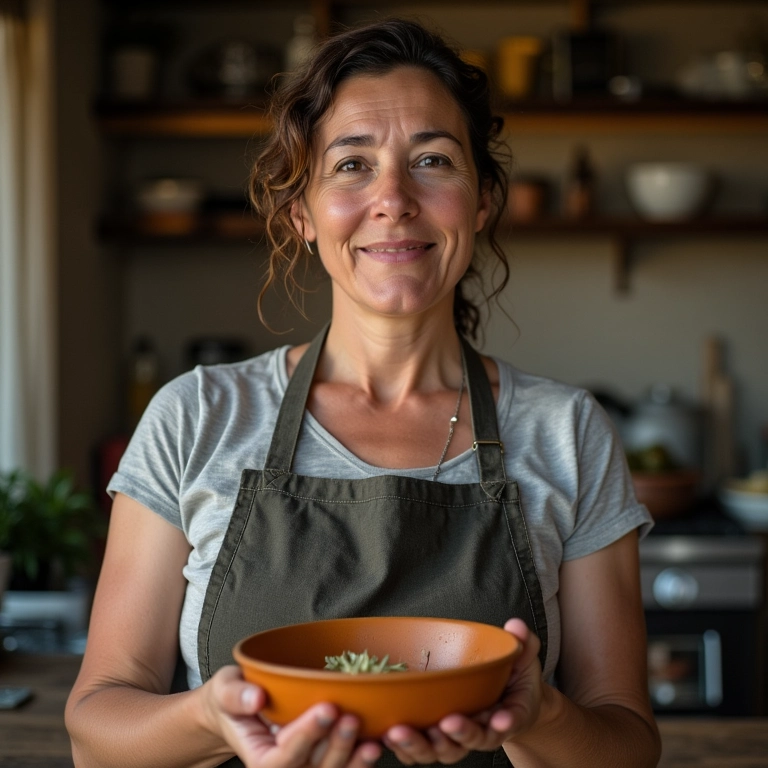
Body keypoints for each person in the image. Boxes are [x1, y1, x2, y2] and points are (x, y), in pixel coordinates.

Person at [65, 18, 661, 768]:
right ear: (302, 214)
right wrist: (210, 717)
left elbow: (628, 745)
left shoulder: (567, 431)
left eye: (433, 160)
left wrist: (538, 715)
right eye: (351, 165)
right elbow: (95, 732)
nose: (394, 199)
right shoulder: (196, 417)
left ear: (481, 202)